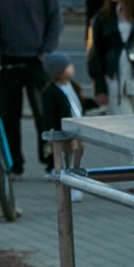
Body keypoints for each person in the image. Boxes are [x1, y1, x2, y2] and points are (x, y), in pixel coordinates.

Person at [0, 0, 66, 174]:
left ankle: (50, 161)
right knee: (8, 114)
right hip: (8, 60)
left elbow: (54, 20)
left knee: (44, 114)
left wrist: (46, 51)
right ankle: (13, 162)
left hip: (37, 60)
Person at [41, 53, 91, 183]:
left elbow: (80, 102)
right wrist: (50, 131)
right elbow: (48, 114)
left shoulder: (73, 86)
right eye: (68, 66)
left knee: (78, 151)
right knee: (67, 153)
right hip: (64, 129)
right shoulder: (50, 92)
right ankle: (66, 176)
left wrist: (96, 103)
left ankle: (74, 172)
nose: (72, 68)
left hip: (78, 127)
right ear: (59, 71)